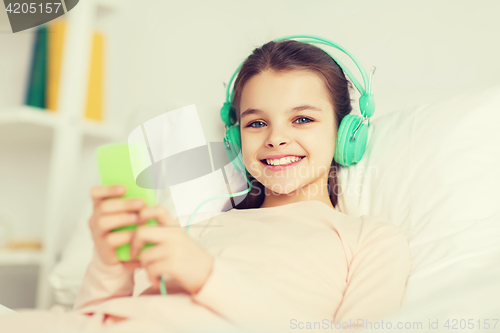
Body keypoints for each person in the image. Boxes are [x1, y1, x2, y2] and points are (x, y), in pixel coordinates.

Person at [0, 39, 411, 333]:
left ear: (346, 133)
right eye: (255, 123)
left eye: (302, 119)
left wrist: (207, 276)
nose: (275, 138)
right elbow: (96, 318)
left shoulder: (368, 240)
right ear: (235, 139)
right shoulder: (195, 225)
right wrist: (111, 262)